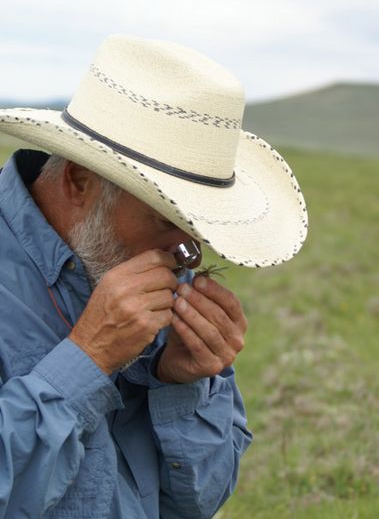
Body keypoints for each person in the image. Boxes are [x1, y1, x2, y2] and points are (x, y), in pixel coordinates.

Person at [0, 35, 308, 518]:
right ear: (79, 181)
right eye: (166, 219)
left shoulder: (143, 268)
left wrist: (181, 385)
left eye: (198, 230)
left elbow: (197, 503)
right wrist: (87, 359)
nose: (188, 258)